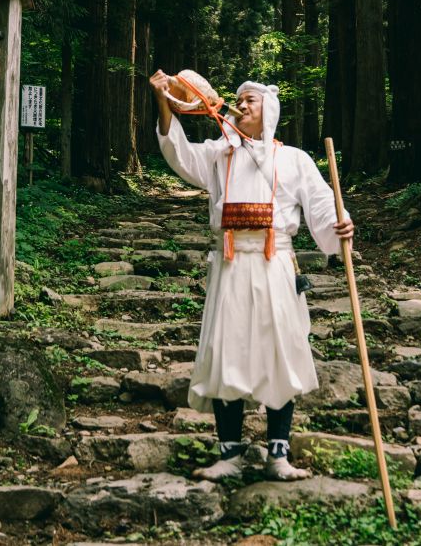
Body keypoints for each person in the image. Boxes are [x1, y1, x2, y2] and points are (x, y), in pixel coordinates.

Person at [148, 70, 354, 482]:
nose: (240, 106)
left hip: (275, 262)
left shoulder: (294, 159)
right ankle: (229, 454)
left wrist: (341, 224)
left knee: (280, 352)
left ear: (268, 112)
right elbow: (179, 153)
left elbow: (322, 205)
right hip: (230, 264)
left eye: (249, 102)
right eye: (237, 101)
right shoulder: (218, 154)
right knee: (228, 352)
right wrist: (163, 101)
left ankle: (278, 455)